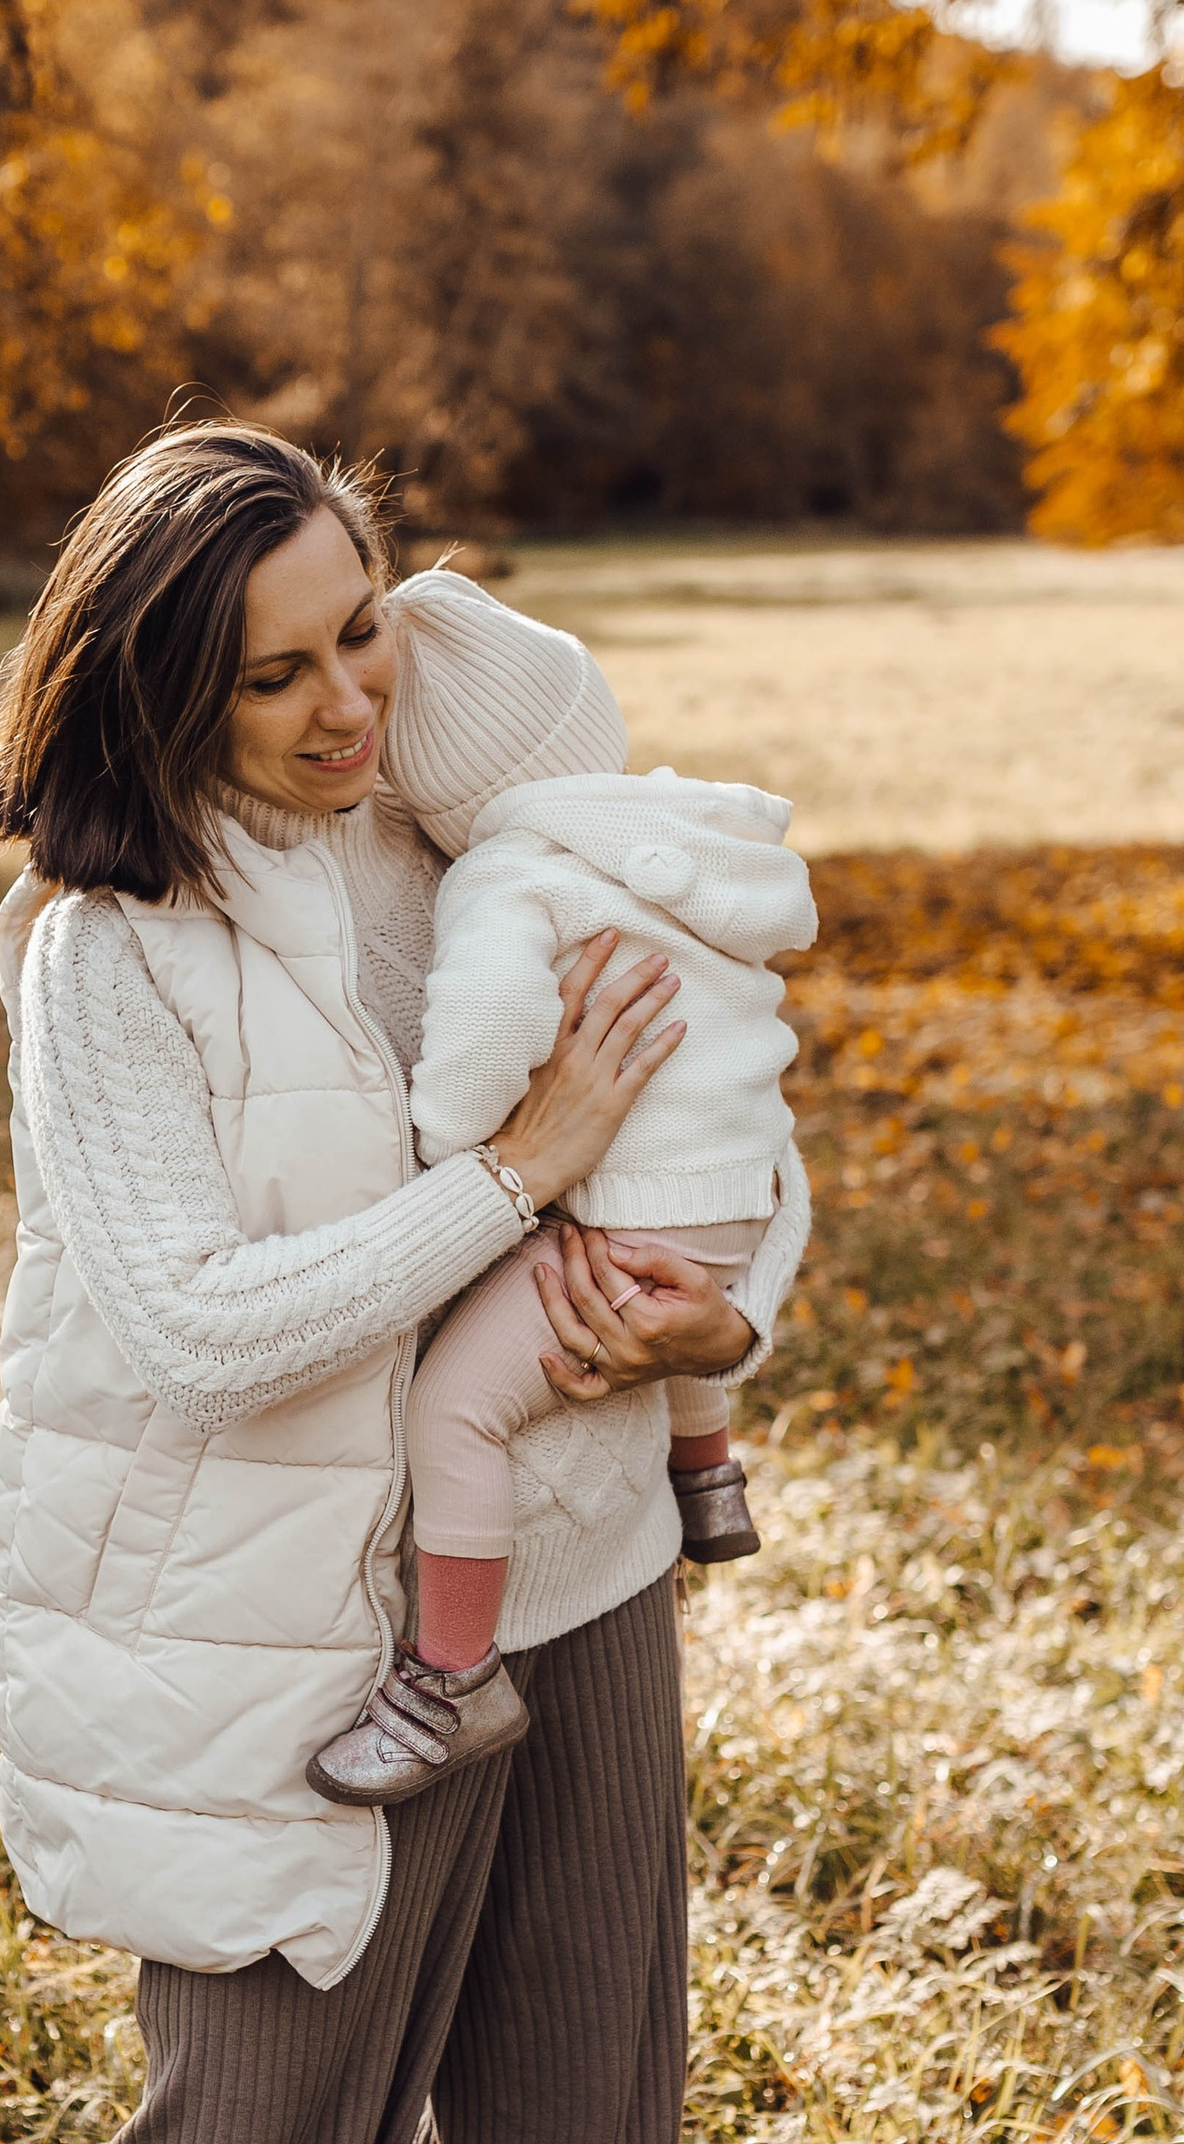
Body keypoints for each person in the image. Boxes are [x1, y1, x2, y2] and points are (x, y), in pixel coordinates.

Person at [0, 421, 808, 2144]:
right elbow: (203, 1324)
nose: (344, 707)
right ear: (149, 691)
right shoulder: (108, 953)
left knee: (569, 2095)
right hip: (278, 1628)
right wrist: (512, 1177)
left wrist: (708, 1319)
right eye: (272, 675)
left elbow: (720, 1127)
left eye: (360, 636)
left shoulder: (472, 833)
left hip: (571, 1553)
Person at [307, 582, 817, 1811]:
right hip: (740, 1191)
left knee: (456, 1413)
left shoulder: (513, 871)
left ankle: (452, 1675)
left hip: (630, 1213)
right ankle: (707, 1472)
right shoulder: (691, 831)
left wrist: (450, 1141)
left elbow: (488, 1029)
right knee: (673, 1294)